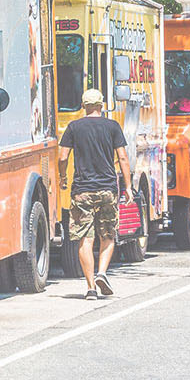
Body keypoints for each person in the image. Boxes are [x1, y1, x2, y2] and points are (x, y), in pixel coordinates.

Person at [61, 88, 129, 300]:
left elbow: (63, 156)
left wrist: (63, 177)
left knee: (85, 238)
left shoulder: (74, 127)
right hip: (107, 189)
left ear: (83, 106)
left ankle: (91, 288)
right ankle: (102, 273)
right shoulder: (112, 126)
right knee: (107, 235)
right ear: (101, 105)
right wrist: (128, 186)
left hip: (82, 191)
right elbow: (123, 158)